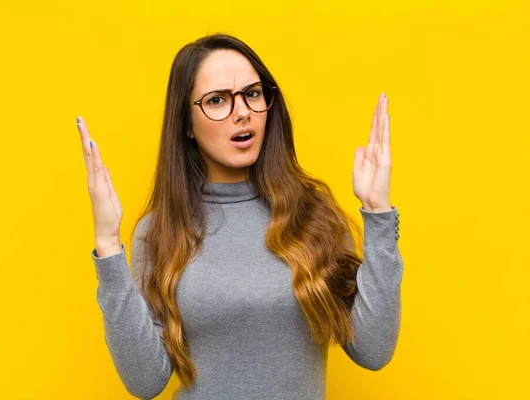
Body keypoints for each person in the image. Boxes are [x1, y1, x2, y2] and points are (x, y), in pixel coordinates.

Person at [77, 33, 403, 400]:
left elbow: (374, 350)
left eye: (252, 93)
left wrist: (378, 214)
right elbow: (146, 381)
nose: (243, 111)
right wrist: (107, 245)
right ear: (186, 123)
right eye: (217, 100)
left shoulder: (312, 215)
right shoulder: (161, 231)